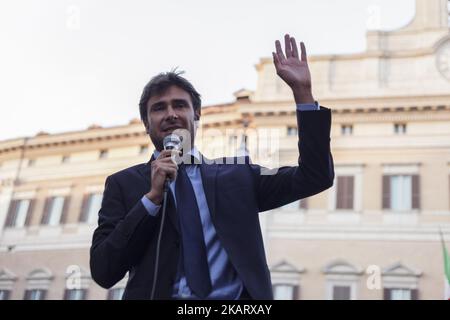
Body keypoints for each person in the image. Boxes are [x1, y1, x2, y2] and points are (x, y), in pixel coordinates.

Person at [90, 34, 334, 300]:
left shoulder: (238, 175)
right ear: (147, 124)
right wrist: (151, 200)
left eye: (180, 105)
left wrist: (303, 94)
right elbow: (104, 271)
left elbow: (315, 176)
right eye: (159, 108)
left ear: (196, 115)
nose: (171, 114)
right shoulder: (123, 184)